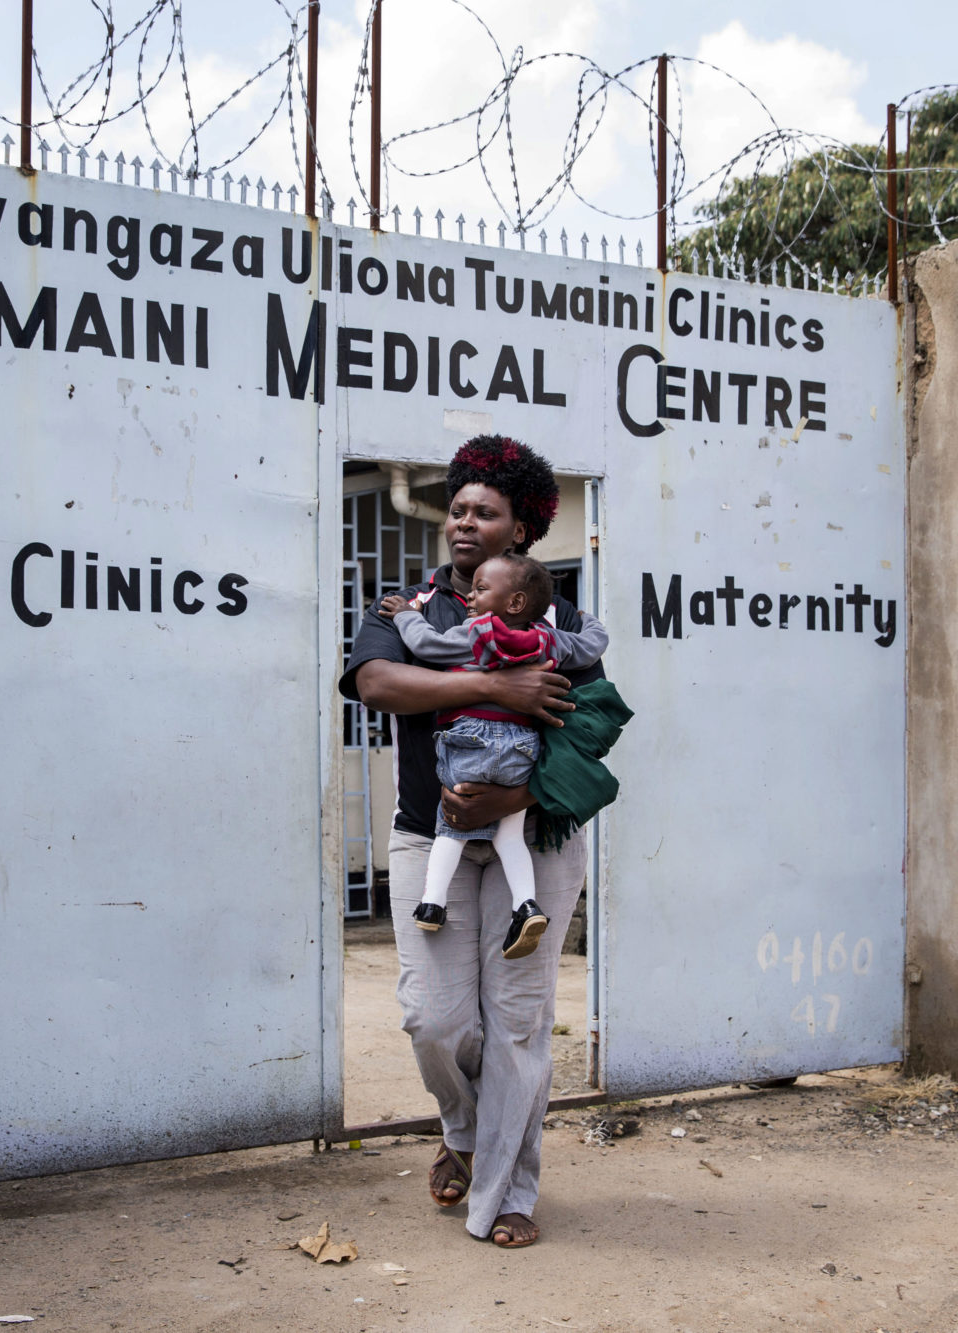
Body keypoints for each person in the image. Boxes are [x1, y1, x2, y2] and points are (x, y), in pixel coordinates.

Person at [339, 435, 603, 1250]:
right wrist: (494, 683)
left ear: (519, 530)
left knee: (518, 1023)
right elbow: (379, 683)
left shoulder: (559, 620)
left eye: (484, 512)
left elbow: (594, 725)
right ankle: (461, 1127)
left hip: (537, 830)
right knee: (436, 1019)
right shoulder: (406, 610)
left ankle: (508, 1192)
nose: (463, 522)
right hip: (434, 832)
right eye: (457, 508)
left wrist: (516, 790)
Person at [376, 552, 607, 958]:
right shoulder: (548, 638)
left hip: (471, 743)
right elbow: (590, 647)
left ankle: (433, 901)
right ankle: (526, 905)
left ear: (513, 602)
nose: (471, 596)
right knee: (510, 834)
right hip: (522, 750)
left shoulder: (477, 633)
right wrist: (590, 620)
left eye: (481, 589)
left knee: (452, 824)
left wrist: (403, 616)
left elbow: (426, 644)